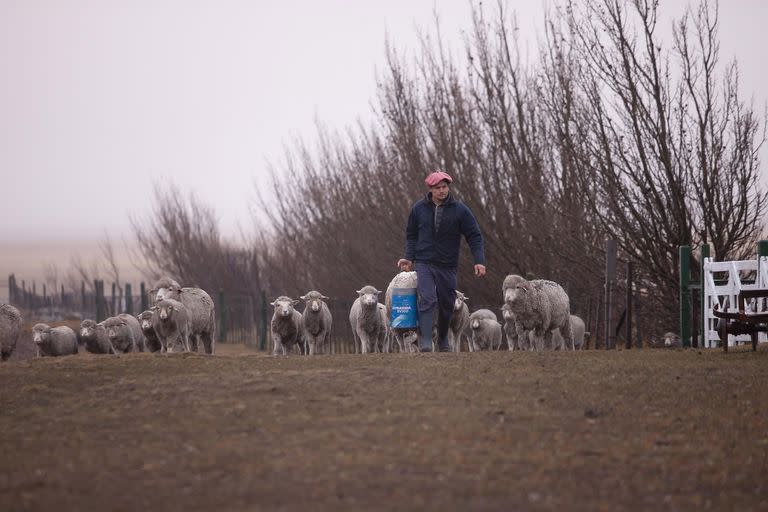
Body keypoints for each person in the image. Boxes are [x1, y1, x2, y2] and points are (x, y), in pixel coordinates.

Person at [397, 170, 486, 352]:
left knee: (447, 303)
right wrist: (408, 257)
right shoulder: (418, 209)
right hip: (424, 262)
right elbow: (411, 236)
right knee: (427, 299)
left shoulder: (460, 210)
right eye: (438, 188)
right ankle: (426, 341)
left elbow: (474, 236)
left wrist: (479, 260)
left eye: (444, 187)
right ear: (430, 189)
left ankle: (443, 339)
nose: (442, 191)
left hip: (448, 264)